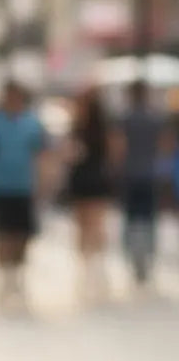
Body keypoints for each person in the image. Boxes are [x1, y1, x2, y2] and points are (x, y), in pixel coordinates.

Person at [0, 81, 46, 307]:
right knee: (2, 233)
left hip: (24, 185)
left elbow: (40, 155)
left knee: (23, 234)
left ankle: (18, 275)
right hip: (0, 185)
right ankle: (4, 277)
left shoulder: (31, 123)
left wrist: (42, 183)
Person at [117, 79, 169, 287]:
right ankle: (146, 257)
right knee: (148, 218)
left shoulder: (125, 119)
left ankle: (134, 258)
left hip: (130, 174)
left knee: (132, 218)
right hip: (149, 174)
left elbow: (118, 148)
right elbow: (164, 145)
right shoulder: (154, 118)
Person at [65, 87, 113, 301]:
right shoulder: (77, 127)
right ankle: (85, 266)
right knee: (82, 224)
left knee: (96, 223)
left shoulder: (100, 128)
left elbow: (112, 151)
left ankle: (97, 265)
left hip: (95, 178)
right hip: (81, 179)